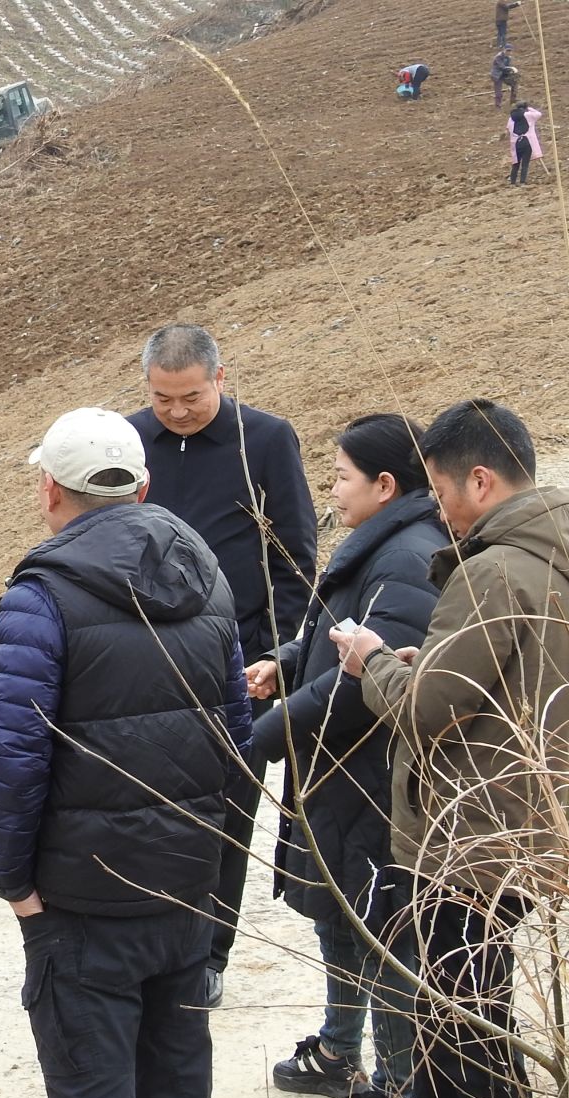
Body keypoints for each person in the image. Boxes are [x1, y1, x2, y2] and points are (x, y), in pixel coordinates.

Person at [0, 407, 252, 1098]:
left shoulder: (42, 597)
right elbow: (237, 743)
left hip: (82, 905)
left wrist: (11, 882)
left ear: (49, 490)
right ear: (142, 487)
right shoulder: (208, 578)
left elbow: (11, 757)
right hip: (184, 893)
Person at [334, 399, 569, 1098]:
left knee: (461, 1023)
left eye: (439, 490)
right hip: (520, 822)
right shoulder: (567, 558)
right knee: (468, 1013)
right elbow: (507, 684)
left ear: (479, 480)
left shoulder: (492, 572)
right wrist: (425, 662)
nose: (438, 509)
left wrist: (372, 662)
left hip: (464, 834)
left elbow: (424, 710)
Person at [246, 417, 446, 1098]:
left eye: (340, 476)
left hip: (371, 779)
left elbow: (365, 686)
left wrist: (266, 733)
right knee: (338, 915)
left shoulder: (407, 557)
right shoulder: (381, 543)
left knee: (379, 932)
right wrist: (284, 661)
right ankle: (338, 1049)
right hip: (339, 776)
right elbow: (336, 638)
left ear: (385, 485)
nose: (330, 489)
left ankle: (394, 1096)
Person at [126, 323, 317, 1009]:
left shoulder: (263, 439)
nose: (176, 412)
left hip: (236, 661)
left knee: (228, 811)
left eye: (191, 398)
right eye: (162, 399)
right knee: (143, 806)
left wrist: (276, 652)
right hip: (141, 656)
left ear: (220, 379)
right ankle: (148, 944)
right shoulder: (128, 439)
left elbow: (295, 555)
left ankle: (209, 953)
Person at [506, 102, 542, 184]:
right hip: (527, 141)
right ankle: (522, 181)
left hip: (516, 143)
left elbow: (508, 129)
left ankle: (513, 182)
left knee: (516, 163)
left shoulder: (511, 118)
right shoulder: (528, 115)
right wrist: (529, 108)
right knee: (525, 163)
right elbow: (538, 114)